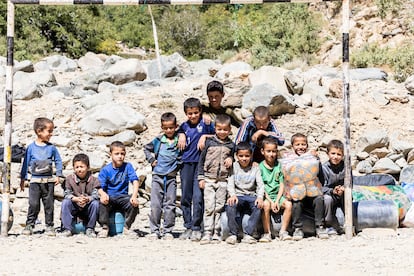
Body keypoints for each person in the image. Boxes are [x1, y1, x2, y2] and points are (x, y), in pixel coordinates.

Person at [177, 97, 215, 241]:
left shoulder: (206, 124)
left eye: (195, 113)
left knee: (198, 197)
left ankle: (197, 227)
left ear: (200, 111)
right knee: (185, 197)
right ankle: (187, 226)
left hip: (201, 165)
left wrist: (205, 136)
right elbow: (177, 131)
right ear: (186, 113)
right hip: (186, 164)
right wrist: (180, 134)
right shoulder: (184, 126)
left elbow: (219, 134)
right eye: (190, 113)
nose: (193, 116)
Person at [20, 117, 63, 236]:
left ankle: (49, 226)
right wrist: (23, 178)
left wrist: (59, 174)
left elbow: (58, 161)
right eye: (49, 131)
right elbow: (25, 163)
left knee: (49, 204)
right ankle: (30, 224)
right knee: (33, 204)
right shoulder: (31, 148)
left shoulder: (52, 148)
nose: (51, 134)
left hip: (48, 181)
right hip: (35, 182)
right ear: (39, 131)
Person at [283, 133, 328, 241]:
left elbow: (319, 173)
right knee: (296, 203)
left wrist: (317, 159)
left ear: (307, 145)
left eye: (303, 144)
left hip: (312, 190)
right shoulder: (288, 158)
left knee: (319, 199)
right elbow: (286, 176)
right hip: (297, 191)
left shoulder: (311, 157)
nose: (300, 147)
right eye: (297, 144)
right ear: (292, 146)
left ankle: (320, 227)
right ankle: (297, 228)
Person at [144, 112, 181, 240]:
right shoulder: (159, 140)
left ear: (176, 126)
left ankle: (168, 230)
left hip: (171, 177)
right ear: (162, 127)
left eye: (171, 127)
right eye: (166, 128)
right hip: (157, 177)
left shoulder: (179, 140)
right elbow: (146, 149)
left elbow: (183, 154)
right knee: (155, 204)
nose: (169, 130)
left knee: (170, 204)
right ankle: (154, 230)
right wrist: (151, 160)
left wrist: (179, 163)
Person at [198, 114, 234, 244]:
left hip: (223, 180)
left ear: (230, 130)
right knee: (209, 206)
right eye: (219, 129)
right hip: (209, 179)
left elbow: (235, 159)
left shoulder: (231, 145)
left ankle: (217, 232)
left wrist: (231, 158)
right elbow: (201, 160)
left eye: (225, 130)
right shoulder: (209, 142)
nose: (222, 132)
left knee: (219, 207)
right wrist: (200, 177)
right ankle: (207, 231)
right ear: (215, 128)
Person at [97, 141, 140, 238]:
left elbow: (135, 181)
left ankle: (126, 227)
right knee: (101, 202)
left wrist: (134, 196)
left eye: (122, 154)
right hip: (110, 197)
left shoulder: (128, 166)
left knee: (134, 204)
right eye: (117, 154)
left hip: (123, 197)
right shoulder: (106, 169)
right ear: (110, 154)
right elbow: (99, 187)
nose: (120, 156)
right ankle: (105, 228)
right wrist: (103, 194)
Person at [225, 142, 264, 245]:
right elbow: (230, 182)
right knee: (230, 205)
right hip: (238, 195)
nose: (244, 158)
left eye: (247, 156)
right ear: (236, 156)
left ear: (251, 156)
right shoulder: (234, 166)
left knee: (258, 206)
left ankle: (248, 234)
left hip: (251, 195)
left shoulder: (255, 168)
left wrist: (260, 197)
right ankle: (233, 234)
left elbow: (260, 184)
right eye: (241, 156)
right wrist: (232, 195)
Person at [61, 153, 103, 238]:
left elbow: (96, 195)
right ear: (73, 168)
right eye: (77, 167)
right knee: (65, 202)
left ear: (87, 167)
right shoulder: (69, 179)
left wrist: (87, 199)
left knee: (95, 203)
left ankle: (90, 228)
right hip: (74, 204)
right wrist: (75, 198)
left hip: (87, 205)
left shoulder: (94, 180)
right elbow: (66, 194)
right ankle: (67, 229)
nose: (79, 169)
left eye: (82, 167)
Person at [259, 137, 292, 242]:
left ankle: (283, 231)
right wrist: (271, 201)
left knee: (288, 205)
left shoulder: (279, 166)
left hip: (278, 196)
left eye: (274, 151)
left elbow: (281, 184)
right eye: (268, 151)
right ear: (262, 151)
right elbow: (261, 187)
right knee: (265, 205)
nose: (271, 154)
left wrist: (277, 201)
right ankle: (267, 232)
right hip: (266, 196)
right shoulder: (260, 167)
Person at [321, 139, 345, 235]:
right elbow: (321, 187)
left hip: (342, 193)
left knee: (348, 194)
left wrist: (344, 188)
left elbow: (350, 182)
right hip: (330, 194)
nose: (335, 157)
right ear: (328, 154)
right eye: (333, 153)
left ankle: (348, 222)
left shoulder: (346, 167)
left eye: (339, 154)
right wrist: (332, 191)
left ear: (342, 155)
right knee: (327, 199)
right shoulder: (324, 168)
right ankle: (328, 225)